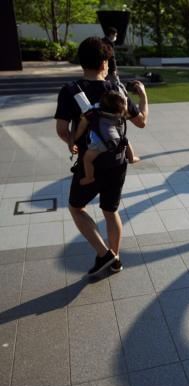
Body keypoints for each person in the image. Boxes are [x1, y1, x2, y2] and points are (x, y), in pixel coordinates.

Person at [55, 37, 149, 276]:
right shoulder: (116, 90)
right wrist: (143, 96)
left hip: (91, 163)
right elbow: (141, 123)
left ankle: (104, 253)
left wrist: (71, 143)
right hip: (117, 162)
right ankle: (114, 259)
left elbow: (62, 130)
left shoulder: (70, 91)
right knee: (110, 210)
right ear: (105, 62)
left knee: (77, 207)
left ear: (81, 62)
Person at [72, 90, 141, 186]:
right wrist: (125, 100)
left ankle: (89, 178)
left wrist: (75, 138)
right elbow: (126, 110)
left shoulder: (93, 112)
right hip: (117, 138)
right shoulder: (119, 113)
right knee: (126, 141)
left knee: (87, 159)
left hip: (100, 143)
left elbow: (82, 127)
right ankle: (132, 158)